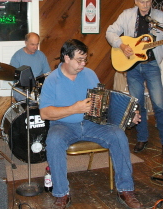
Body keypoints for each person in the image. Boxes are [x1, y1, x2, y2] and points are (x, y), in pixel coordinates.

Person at [39, 39, 142, 209]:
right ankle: (61, 193)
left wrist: (129, 115)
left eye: (85, 60)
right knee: (54, 140)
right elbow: (45, 113)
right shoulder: (52, 80)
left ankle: (126, 189)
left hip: (92, 123)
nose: (83, 64)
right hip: (63, 125)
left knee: (118, 135)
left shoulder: (89, 74)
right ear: (66, 58)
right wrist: (74, 108)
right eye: (79, 60)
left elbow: (104, 104)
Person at [106, 0, 163, 154]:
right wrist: (121, 44)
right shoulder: (127, 15)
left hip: (152, 65)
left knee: (159, 104)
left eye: (148, 1)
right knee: (138, 104)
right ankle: (142, 138)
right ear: (135, 1)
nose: (145, 4)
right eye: (142, 1)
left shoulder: (161, 17)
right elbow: (110, 32)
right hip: (133, 66)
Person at [10, 32, 50, 101]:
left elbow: (48, 73)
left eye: (37, 44)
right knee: (21, 95)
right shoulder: (17, 56)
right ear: (26, 43)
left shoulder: (41, 55)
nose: (35, 47)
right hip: (22, 88)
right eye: (32, 44)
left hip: (38, 87)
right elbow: (14, 77)